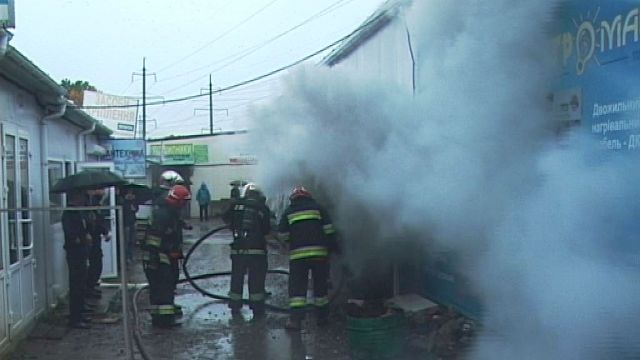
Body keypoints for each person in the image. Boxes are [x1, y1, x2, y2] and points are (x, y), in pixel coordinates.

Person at [278, 186, 337, 330]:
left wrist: (290, 241)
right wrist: (332, 249)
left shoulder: (289, 212)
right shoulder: (318, 208)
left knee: (297, 289)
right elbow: (330, 230)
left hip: (298, 257)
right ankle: (322, 319)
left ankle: (295, 321)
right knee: (320, 288)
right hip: (319, 255)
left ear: (293, 198)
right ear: (308, 196)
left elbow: (282, 235)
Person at [142, 184, 191, 328]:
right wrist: (156, 258)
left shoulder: (170, 212)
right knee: (163, 286)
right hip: (157, 257)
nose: (185, 205)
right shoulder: (163, 215)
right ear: (178, 201)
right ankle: (163, 320)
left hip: (164, 255)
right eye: (184, 202)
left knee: (167, 285)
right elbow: (153, 239)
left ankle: (164, 315)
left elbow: (171, 230)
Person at [223, 183, 271, 319]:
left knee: (237, 278)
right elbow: (266, 229)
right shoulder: (262, 208)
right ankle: (257, 309)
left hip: (238, 250)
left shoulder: (236, 205)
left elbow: (226, 218)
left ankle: (234, 306)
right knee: (256, 279)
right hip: (257, 251)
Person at [61, 190, 92, 329]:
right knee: (76, 284)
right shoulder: (69, 213)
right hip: (75, 252)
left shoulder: (80, 212)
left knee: (81, 282)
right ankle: (75, 317)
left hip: (82, 251)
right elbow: (71, 233)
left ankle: (80, 312)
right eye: (80, 197)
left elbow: (85, 227)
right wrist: (81, 238)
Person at [85, 189, 111, 300]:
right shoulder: (90, 204)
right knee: (94, 265)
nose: (104, 192)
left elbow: (99, 220)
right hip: (90, 239)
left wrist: (105, 231)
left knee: (96, 264)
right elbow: (95, 220)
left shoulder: (96, 204)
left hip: (94, 238)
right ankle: (89, 289)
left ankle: (91, 288)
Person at [119, 188, 139, 264]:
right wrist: (126, 200)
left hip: (133, 222)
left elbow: (136, 209)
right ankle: (126, 257)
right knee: (126, 241)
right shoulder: (123, 201)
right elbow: (123, 210)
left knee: (132, 240)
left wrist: (133, 203)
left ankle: (131, 256)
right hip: (126, 223)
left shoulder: (134, 201)